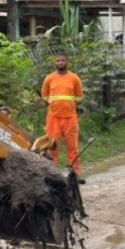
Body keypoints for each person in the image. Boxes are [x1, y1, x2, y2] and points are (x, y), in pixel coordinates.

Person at [40, 53, 85, 183]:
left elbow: (79, 97)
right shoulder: (49, 78)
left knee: (72, 147)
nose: (60, 62)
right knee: (51, 146)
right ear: (55, 63)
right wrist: (55, 104)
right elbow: (44, 96)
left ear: (67, 62)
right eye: (58, 61)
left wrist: (68, 105)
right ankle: (51, 174)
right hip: (53, 117)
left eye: (63, 60)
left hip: (70, 118)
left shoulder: (74, 78)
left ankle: (75, 174)